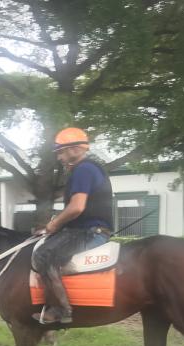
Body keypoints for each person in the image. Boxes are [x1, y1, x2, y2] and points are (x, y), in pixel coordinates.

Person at [32, 127, 114, 325]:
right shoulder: (90, 168)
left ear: (76, 149)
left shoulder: (83, 170)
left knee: (42, 255)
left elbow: (77, 208)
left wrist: (54, 224)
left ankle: (62, 309)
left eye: (61, 151)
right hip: (87, 230)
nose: (59, 157)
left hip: (89, 232)